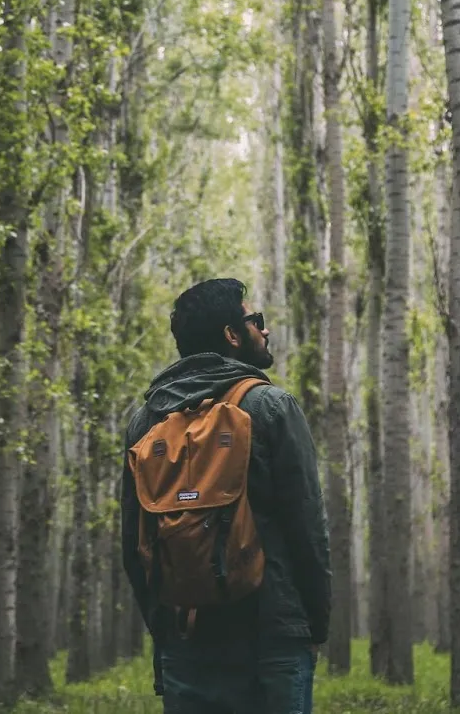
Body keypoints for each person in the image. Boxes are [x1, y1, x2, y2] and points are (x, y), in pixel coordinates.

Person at [121, 278, 331, 714]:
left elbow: (133, 545)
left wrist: (163, 634)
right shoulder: (271, 407)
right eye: (256, 320)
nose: (265, 330)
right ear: (232, 336)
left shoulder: (145, 422)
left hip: (187, 636)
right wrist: (312, 625)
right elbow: (307, 528)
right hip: (271, 634)